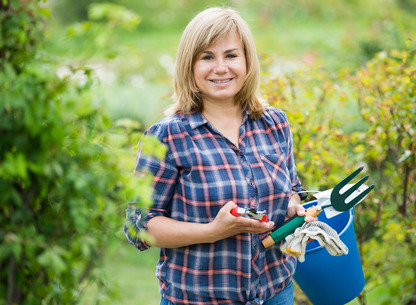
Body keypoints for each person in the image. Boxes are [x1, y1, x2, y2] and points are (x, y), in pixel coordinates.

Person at [124, 7, 316, 305]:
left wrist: (293, 204)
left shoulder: (275, 123)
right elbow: (138, 225)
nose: (221, 67)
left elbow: (292, 189)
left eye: (231, 55)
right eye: (207, 57)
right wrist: (212, 231)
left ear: (247, 61)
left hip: (275, 294)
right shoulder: (167, 137)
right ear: (190, 65)